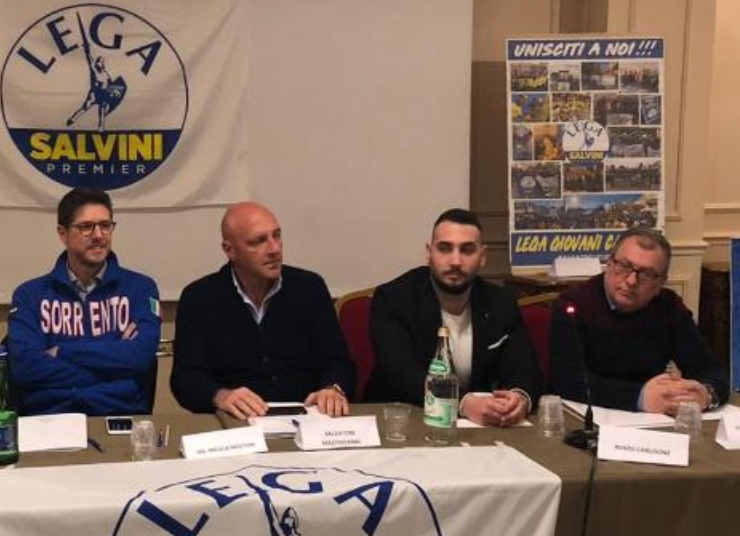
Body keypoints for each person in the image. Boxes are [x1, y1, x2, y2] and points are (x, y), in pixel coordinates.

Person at [170, 202, 356, 420]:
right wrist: (219, 395)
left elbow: (338, 360)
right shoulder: (200, 297)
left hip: (307, 416)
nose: (274, 249)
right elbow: (186, 378)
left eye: (276, 235)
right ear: (229, 250)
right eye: (258, 241)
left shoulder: (309, 287)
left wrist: (333, 388)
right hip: (236, 420)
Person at [367, 209, 543, 427]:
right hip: (404, 420)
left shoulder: (501, 302)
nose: (456, 261)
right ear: (429, 253)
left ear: (483, 256)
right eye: (445, 248)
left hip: (480, 429)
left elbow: (525, 368)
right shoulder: (394, 299)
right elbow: (402, 373)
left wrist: (520, 399)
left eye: (467, 250)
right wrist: (463, 403)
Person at [7, 188, 160, 415]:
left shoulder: (140, 289)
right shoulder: (30, 295)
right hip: (50, 418)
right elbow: (24, 368)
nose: (98, 235)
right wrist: (115, 368)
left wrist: (61, 351)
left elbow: (140, 358)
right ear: (63, 234)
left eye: (105, 225)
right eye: (86, 227)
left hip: (118, 415)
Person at [550, 227, 727, 414]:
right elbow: (567, 381)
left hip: (653, 421)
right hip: (586, 418)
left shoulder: (669, 307)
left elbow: (711, 369)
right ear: (609, 264)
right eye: (624, 266)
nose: (631, 281)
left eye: (646, 274)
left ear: (660, 284)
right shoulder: (574, 304)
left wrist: (705, 395)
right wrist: (638, 397)